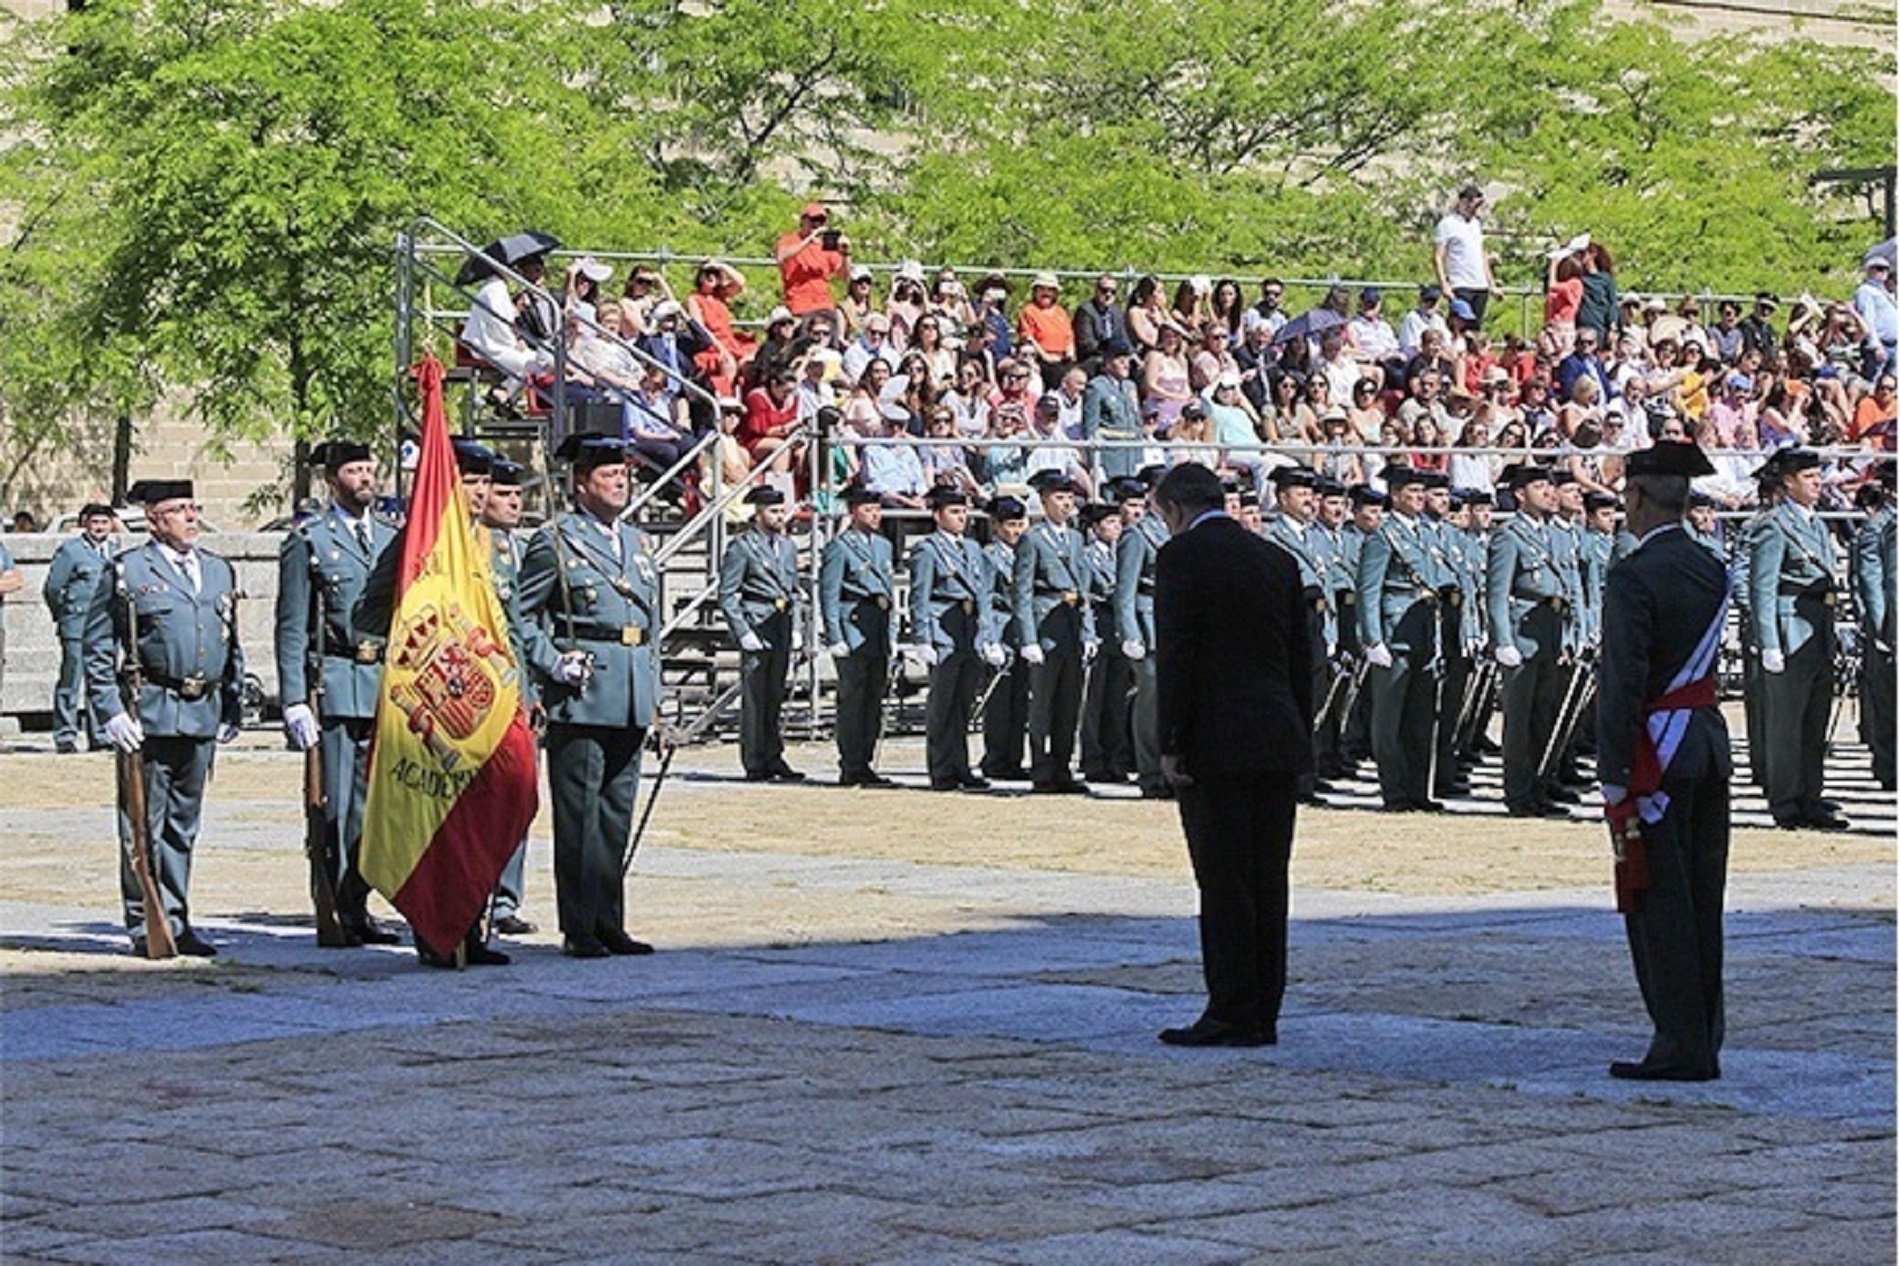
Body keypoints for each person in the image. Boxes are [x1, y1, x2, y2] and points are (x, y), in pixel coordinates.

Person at [1152, 461, 1313, 1047]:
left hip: (1215, 741)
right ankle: (1263, 1011)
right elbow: (1302, 660)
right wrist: (1302, 740)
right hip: (1276, 736)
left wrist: (1170, 741)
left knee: (1222, 882)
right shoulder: (1276, 559)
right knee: (1269, 880)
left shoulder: (1181, 559)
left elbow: (1178, 656)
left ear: (1173, 509)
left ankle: (1229, 1008)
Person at [1597, 440, 1733, 1082]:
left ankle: (1678, 1042)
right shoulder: (1711, 566)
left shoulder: (1633, 575)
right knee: (1705, 898)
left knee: (1660, 902)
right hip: (1705, 740)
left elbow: (1624, 679)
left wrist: (1615, 773)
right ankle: (1704, 1032)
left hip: (1658, 751)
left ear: (1636, 498)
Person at [514, 435, 662, 960]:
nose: (620, 482)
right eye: (607, 475)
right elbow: (521, 615)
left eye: (623, 474)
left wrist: (655, 692)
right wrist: (551, 660)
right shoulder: (556, 541)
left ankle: (609, 920)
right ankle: (578, 925)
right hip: (583, 690)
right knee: (579, 815)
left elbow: (651, 624)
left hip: (629, 692)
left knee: (616, 814)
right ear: (580, 484)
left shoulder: (639, 544)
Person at [84, 479, 244, 956]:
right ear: (153, 519)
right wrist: (109, 709)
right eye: (178, 510)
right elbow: (95, 646)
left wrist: (233, 700)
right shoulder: (128, 570)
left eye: (194, 508)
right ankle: (144, 920)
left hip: (201, 710)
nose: (191, 517)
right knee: (142, 821)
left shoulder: (217, 570)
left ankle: (177, 915)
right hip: (149, 710)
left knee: (182, 824)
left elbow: (229, 640)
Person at [275, 441, 403, 947]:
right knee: (332, 808)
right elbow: (290, 625)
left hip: (383, 685)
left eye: (370, 468)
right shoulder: (309, 540)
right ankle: (331, 904)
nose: (366, 477)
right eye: (354, 470)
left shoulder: (391, 537)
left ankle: (358, 902)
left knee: (372, 808)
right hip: (335, 680)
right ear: (332, 480)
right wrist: (293, 699)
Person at [1748, 449, 1845, 830]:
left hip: (1818, 628)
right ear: (1788, 482)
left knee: (1814, 722)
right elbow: (1763, 587)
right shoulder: (1775, 524)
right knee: (1787, 724)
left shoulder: (1817, 524)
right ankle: (1786, 801)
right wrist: (1768, 640)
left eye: (1818, 477)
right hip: (1791, 630)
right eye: (1809, 477)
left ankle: (1811, 796)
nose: (1817, 483)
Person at [1355, 467, 1449, 812]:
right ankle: (1394, 790)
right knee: (1389, 719)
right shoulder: (1384, 535)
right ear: (1394, 495)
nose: (1420, 497)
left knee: (1421, 719)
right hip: (1395, 634)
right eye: (1411, 491)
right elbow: (1368, 589)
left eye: (1422, 491)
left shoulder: (1427, 533)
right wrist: (1372, 638)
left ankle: (1418, 790)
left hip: (1424, 632)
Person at [1485, 465, 1573, 818]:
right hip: (1522, 637)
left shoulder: (1556, 534)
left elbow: (1570, 587)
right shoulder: (1510, 535)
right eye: (1540, 486)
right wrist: (1502, 640)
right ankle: (1519, 792)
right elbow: (1497, 592)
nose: (1549, 493)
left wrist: (1571, 635)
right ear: (1520, 494)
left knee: (1544, 717)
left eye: (1550, 487)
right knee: (1519, 722)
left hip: (1550, 635)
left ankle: (1541, 784)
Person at [481, 459, 544, 936]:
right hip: (480, 692)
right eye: (504, 495)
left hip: (519, 691)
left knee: (518, 795)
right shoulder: (474, 552)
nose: (513, 503)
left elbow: (528, 629)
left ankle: (506, 898)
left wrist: (533, 688)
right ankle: (478, 894)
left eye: (516, 496)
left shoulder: (525, 551)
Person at [1014, 472, 1099, 791]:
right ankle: (1041, 768)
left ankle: (1063, 767)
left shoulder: (1076, 539)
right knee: (1042, 705)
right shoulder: (1033, 539)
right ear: (1044, 500)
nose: (1066, 504)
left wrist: (1088, 632)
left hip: (1072, 627)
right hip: (1046, 623)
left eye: (1069, 498)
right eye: (1059, 498)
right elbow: (1022, 591)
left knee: (1068, 703)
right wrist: (1029, 638)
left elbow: (1084, 590)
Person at [908, 487, 995, 791]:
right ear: (937, 515)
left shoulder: (972, 549)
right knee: (942, 705)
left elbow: (983, 592)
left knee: (964, 704)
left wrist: (988, 635)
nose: (962, 518)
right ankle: (941, 767)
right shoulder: (928, 549)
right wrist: (923, 637)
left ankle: (961, 764)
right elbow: (920, 595)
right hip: (943, 631)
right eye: (954, 512)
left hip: (968, 633)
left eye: (964, 512)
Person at [718, 486, 805, 782]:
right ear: (757, 513)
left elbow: (793, 590)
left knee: (775, 696)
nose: (779, 517)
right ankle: (755, 760)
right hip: (756, 621)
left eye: (781, 511)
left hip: (779, 624)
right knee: (755, 698)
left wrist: (796, 629)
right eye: (773, 511)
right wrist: (742, 631)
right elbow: (728, 593)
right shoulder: (742, 546)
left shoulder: (788, 547)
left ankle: (774, 755)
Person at [1262, 466, 1333, 803]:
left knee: (1313, 705)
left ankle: (1307, 775)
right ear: (1281, 497)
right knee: (1288, 706)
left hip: (1317, 628)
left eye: (1310, 492)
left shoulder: (1317, 535)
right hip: (1289, 628)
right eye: (1301, 492)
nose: (1309, 499)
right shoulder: (1271, 535)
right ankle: (1287, 777)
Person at [820, 485, 898, 787]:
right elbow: (829, 593)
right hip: (852, 625)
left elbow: (889, 590)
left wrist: (890, 632)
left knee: (873, 699)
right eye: (867, 509)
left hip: (875, 628)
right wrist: (834, 635)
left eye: (877, 509)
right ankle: (851, 763)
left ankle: (865, 760)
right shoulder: (840, 546)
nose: (874, 514)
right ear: (853, 511)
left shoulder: (883, 545)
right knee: (853, 699)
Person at [1114, 467, 1171, 799]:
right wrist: (1129, 632)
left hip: (1172, 622)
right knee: (1150, 702)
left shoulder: (1176, 530)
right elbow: (1125, 588)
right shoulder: (1137, 534)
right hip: (1147, 623)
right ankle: (1150, 772)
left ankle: (1169, 767)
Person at [44, 503, 117, 753]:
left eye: (104, 522)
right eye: (95, 522)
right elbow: (53, 588)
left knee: (102, 680)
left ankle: (100, 735)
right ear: (85, 523)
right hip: (77, 624)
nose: (99, 528)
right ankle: (65, 734)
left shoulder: (115, 552)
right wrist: (63, 616)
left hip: (105, 627)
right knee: (71, 679)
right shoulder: (71, 551)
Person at [980, 497, 1034, 780]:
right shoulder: (990, 556)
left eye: (1019, 524)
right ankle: (996, 757)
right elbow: (986, 598)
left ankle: (1014, 757)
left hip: (1020, 630)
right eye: (1010, 525)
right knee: (1000, 701)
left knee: (1020, 700)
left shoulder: (1025, 552)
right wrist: (988, 638)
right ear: (996, 527)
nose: (1016, 531)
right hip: (1001, 627)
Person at [1077, 501, 1130, 784]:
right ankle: (1093, 758)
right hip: (1099, 626)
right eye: (1109, 523)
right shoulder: (1088, 557)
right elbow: (1085, 597)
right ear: (1095, 528)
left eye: (1117, 522)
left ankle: (1115, 758)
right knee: (1094, 701)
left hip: (1118, 632)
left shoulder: (1120, 555)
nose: (1116, 528)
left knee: (1116, 700)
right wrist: (1088, 634)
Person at [1851, 472, 1896, 791]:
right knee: (1885, 702)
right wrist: (1883, 629)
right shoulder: (1878, 527)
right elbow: (1871, 582)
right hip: (1885, 627)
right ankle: (1888, 766)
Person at [1434, 185, 1497, 327]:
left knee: (1475, 329)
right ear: (1463, 201)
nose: (1474, 209)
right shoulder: (1447, 224)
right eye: (1471, 203)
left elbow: (1482, 254)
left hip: (1480, 285)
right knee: (1459, 326)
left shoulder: (1476, 224)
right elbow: (1438, 256)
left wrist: (1491, 284)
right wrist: (1444, 284)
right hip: (1461, 284)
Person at [1082, 339, 1143, 485]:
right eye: (1120, 359)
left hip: (1131, 456)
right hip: (1111, 458)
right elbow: (1091, 428)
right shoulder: (1096, 387)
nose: (1125, 363)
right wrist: (1096, 464)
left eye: (1127, 359)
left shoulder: (1130, 387)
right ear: (1107, 363)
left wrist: (1139, 457)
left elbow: (1136, 423)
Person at [776, 202, 850, 316]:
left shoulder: (825, 246)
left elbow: (843, 276)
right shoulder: (790, 240)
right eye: (813, 220)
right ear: (803, 221)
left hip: (824, 305)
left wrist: (845, 254)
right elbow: (781, 256)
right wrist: (809, 239)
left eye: (821, 221)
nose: (817, 224)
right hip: (799, 304)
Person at [1017, 272, 1076, 390]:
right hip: (1041, 358)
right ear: (1035, 291)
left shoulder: (1061, 312)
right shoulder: (1029, 311)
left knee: (1078, 376)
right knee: (1056, 375)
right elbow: (1028, 337)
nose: (1046, 293)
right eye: (1042, 289)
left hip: (1063, 358)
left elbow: (1069, 337)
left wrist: (1070, 354)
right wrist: (1046, 356)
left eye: (1050, 290)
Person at [1073, 274, 1132, 370]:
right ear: (1096, 290)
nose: (1108, 295)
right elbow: (1086, 344)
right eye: (1104, 290)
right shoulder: (1086, 311)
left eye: (1113, 292)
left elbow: (1124, 338)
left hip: (1116, 358)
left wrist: (1133, 356)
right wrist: (1110, 351)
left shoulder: (1116, 312)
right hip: (1093, 358)